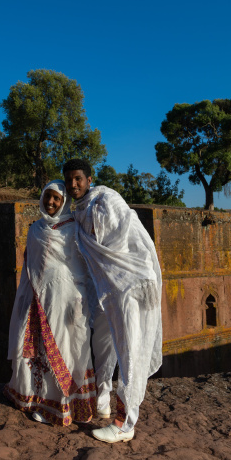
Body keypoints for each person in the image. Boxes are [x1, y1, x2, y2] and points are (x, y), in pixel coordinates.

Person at [63, 158, 163, 444]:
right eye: (69, 180)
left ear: (89, 179)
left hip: (129, 283)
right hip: (107, 288)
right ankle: (103, 400)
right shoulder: (79, 212)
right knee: (103, 343)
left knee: (129, 349)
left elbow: (118, 243)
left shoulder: (106, 200)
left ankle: (124, 423)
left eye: (78, 179)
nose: (73, 185)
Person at [4, 180, 97, 426]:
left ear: (64, 201)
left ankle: (61, 407)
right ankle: (36, 400)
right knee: (37, 351)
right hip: (36, 299)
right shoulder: (36, 229)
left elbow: (84, 266)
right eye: (48, 197)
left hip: (65, 300)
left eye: (56, 198)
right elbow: (29, 267)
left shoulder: (74, 229)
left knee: (66, 349)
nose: (51, 202)